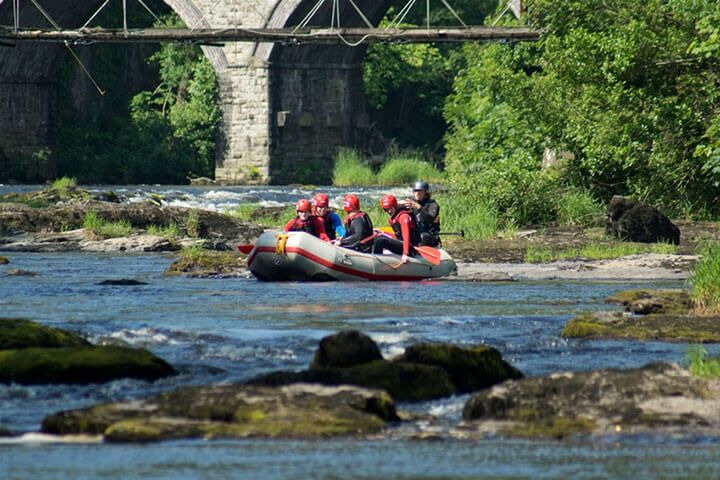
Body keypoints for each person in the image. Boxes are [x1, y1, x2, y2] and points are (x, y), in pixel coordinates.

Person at [372, 194, 420, 264]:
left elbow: (406, 236)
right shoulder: (394, 218)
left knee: (380, 241)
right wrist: (382, 232)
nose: (389, 211)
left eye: (390, 208)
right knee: (378, 237)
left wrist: (405, 254)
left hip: (411, 248)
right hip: (403, 244)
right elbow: (397, 236)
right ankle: (375, 257)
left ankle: (376, 262)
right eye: (386, 209)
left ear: (395, 206)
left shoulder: (403, 217)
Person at [401, 180, 440, 247]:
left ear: (425, 192)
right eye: (415, 191)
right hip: (416, 233)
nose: (417, 193)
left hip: (429, 235)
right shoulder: (411, 203)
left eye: (419, 191)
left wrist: (418, 207)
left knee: (422, 237)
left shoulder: (432, 204)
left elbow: (430, 219)